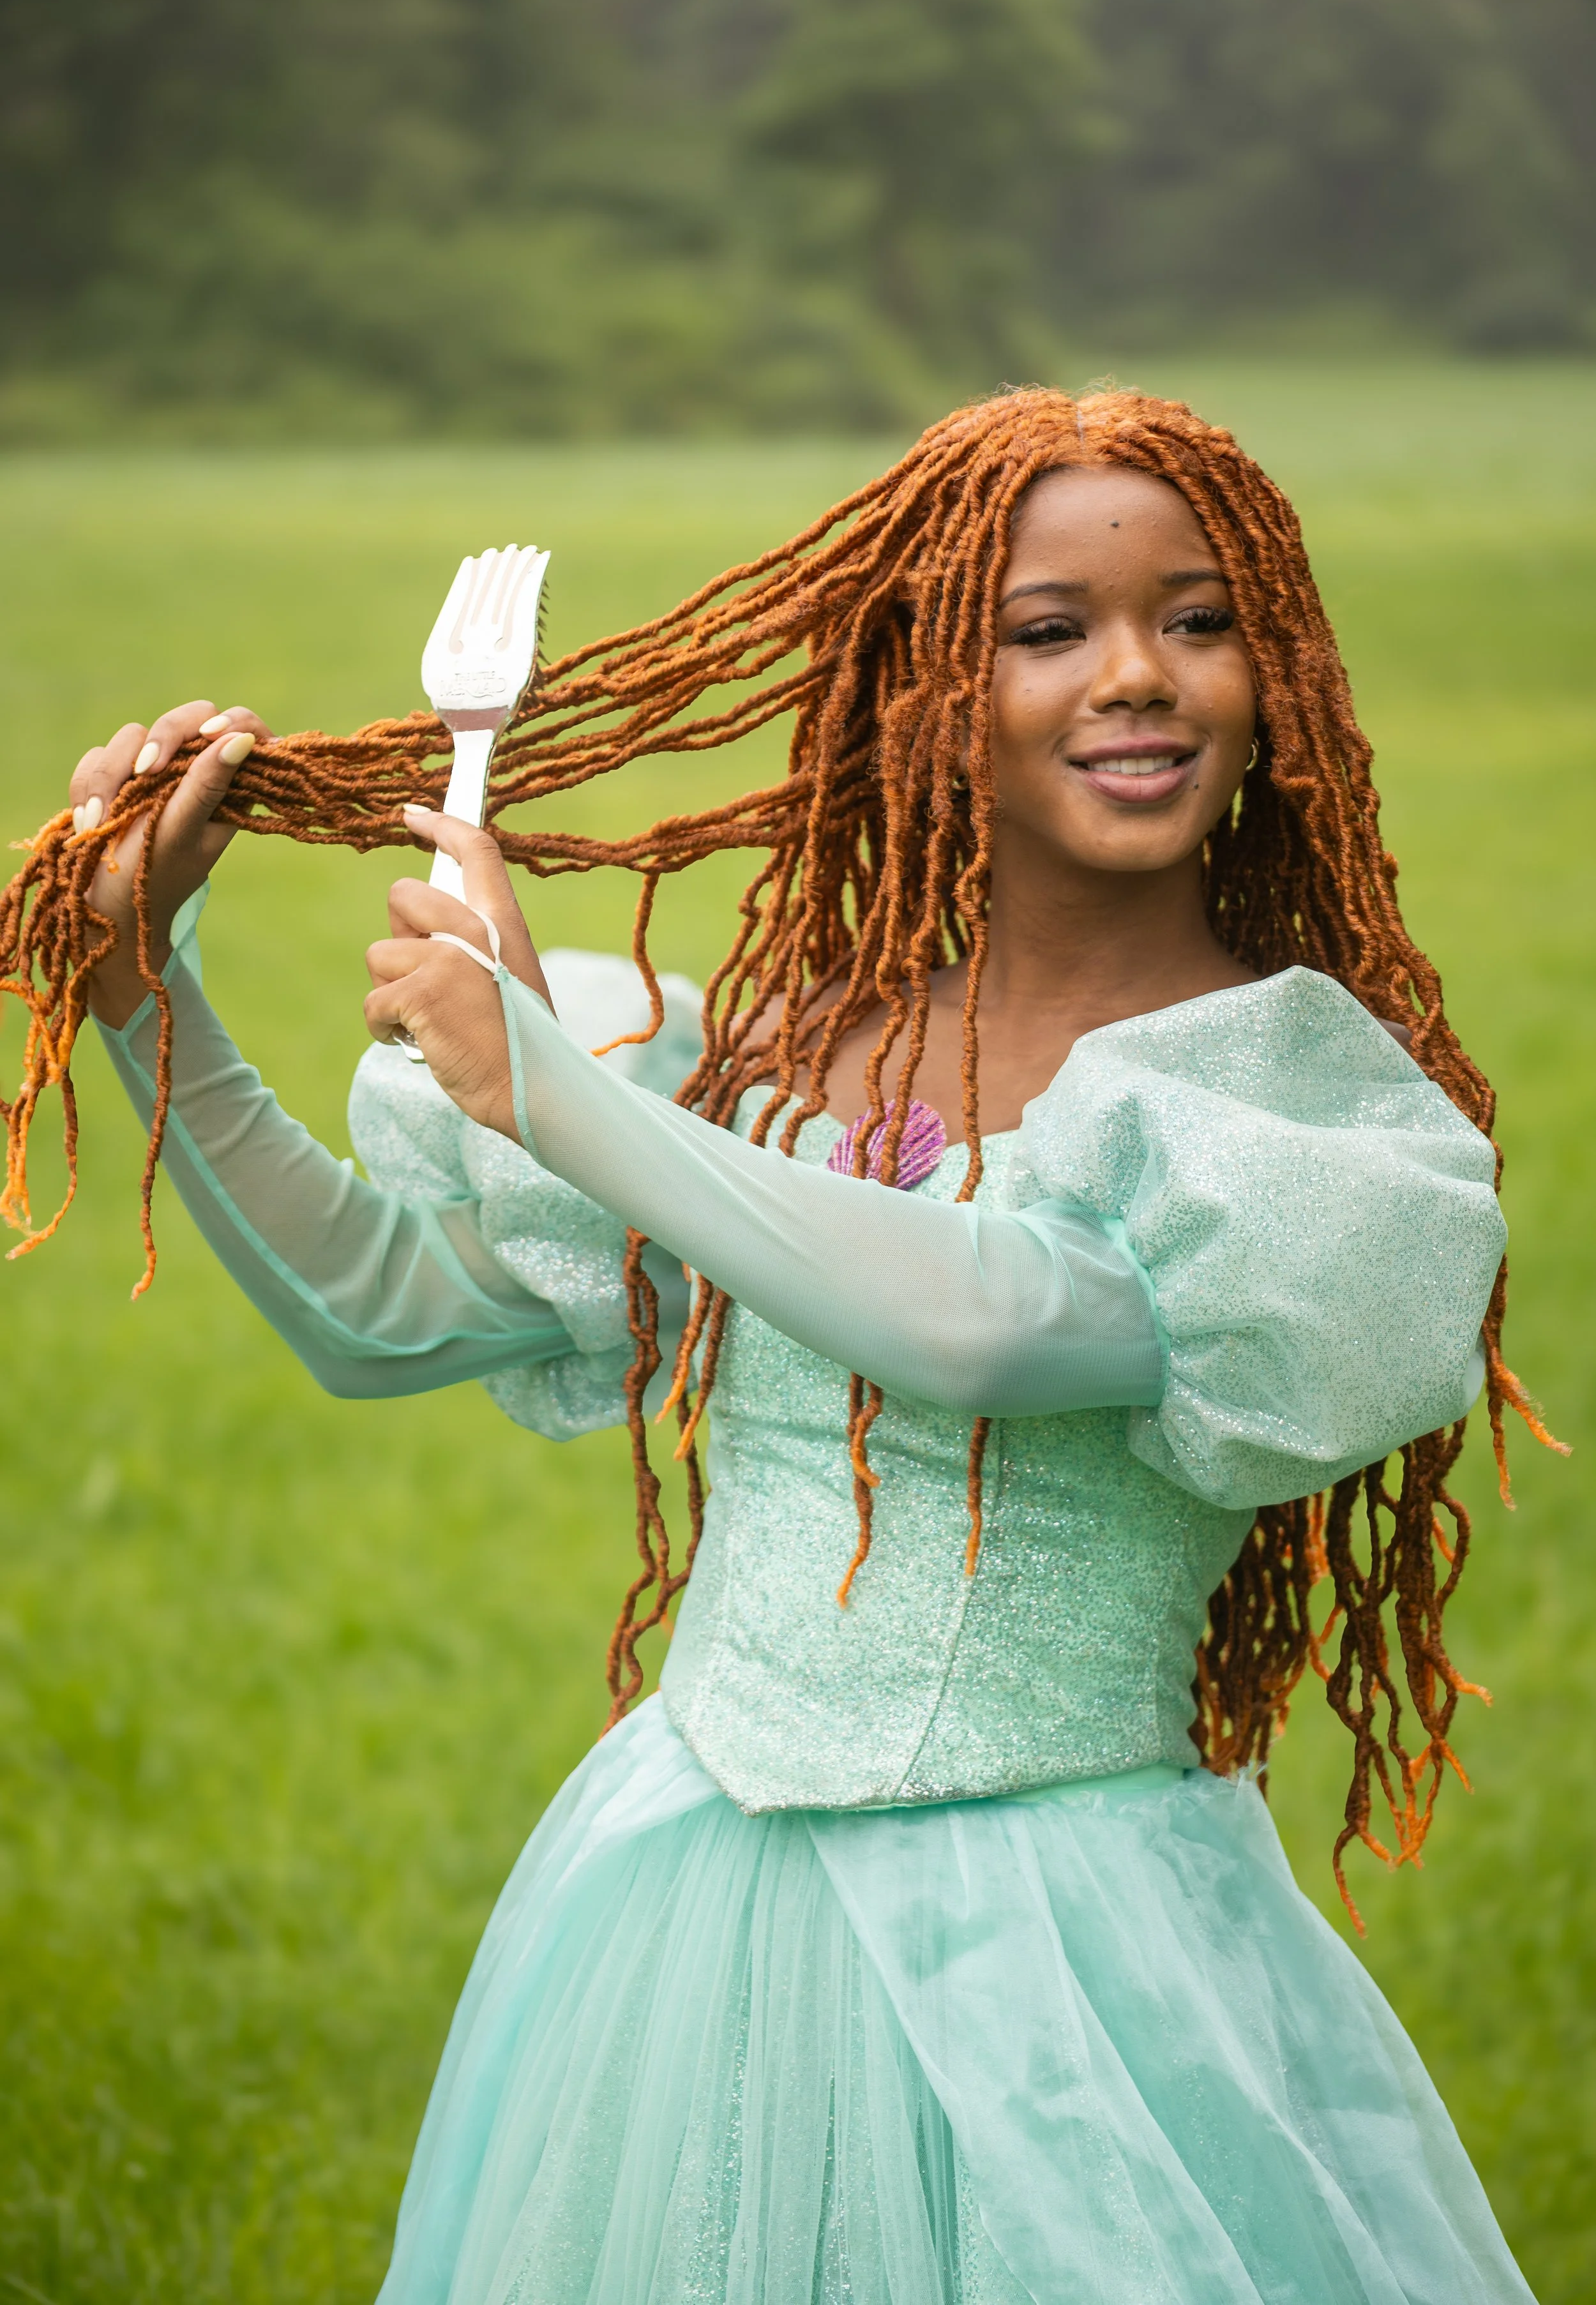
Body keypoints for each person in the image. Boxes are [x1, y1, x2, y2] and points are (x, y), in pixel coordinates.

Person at [64, 391, 1534, 2302]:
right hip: (688, 1887)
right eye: (1045, 628)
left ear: (1278, 674)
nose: (1136, 677)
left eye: (1196, 617)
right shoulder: (771, 1058)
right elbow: (381, 1317)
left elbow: (988, 1318)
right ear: (931, 685)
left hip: (1062, 1948)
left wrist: (560, 1098)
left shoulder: (1279, 1113)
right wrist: (138, 988)